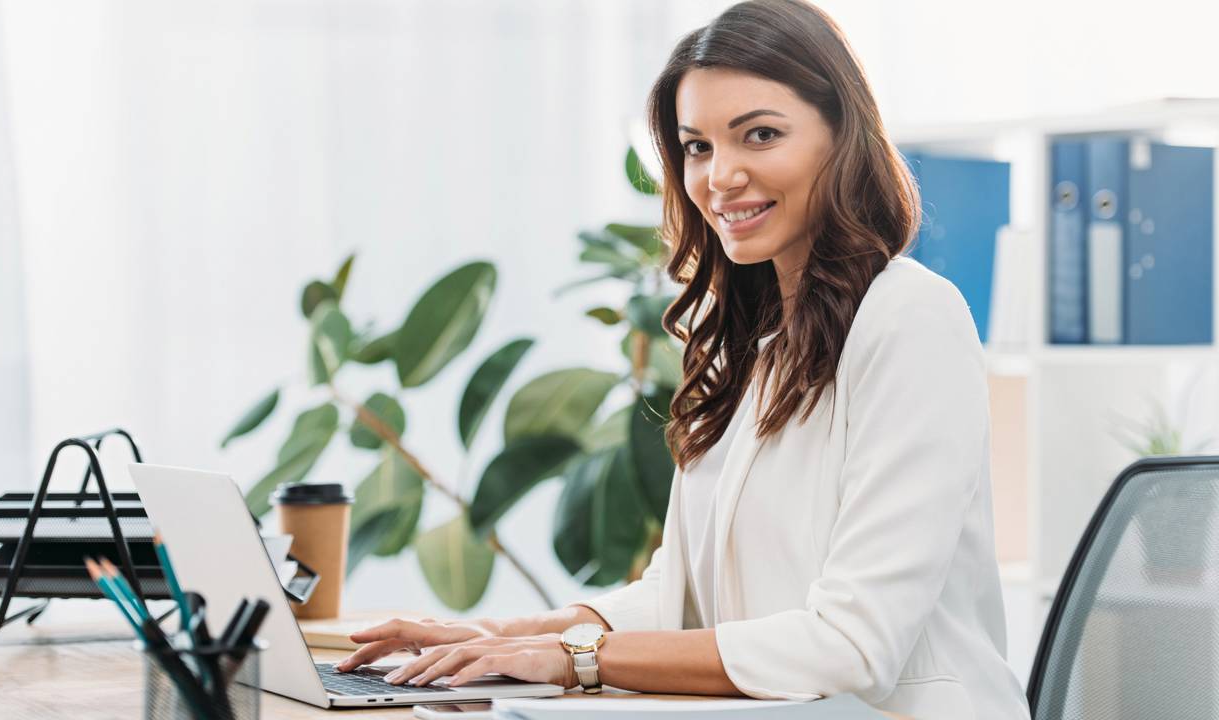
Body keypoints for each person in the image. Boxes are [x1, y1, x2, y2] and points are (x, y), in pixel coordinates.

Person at [337, 1, 1029, 717]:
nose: (720, 176)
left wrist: (574, 661)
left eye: (759, 135)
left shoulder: (910, 318)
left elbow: (850, 644)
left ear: (842, 137)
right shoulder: (756, 341)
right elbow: (678, 596)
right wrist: (499, 637)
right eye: (697, 146)